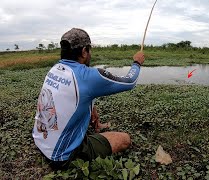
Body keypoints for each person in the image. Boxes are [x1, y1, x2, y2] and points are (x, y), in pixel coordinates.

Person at [32, 28, 145, 169]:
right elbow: (130, 82)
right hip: (62, 157)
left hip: (40, 140)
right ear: (84, 51)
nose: (90, 54)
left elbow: (81, 94)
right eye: (89, 50)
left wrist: (93, 109)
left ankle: (93, 127)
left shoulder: (55, 69)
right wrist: (137, 62)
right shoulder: (88, 76)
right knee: (124, 139)